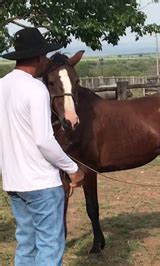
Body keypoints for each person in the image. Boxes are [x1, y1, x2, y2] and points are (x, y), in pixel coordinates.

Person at [0, 27, 84, 265]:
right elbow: (44, 141)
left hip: (14, 182)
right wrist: (72, 168)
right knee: (49, 245)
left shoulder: (2, 86)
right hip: (41, 183)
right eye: (45, 56)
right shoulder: (36, 89)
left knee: (26, 244)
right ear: (38, 58)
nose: (47, 60)